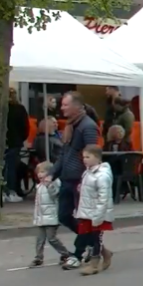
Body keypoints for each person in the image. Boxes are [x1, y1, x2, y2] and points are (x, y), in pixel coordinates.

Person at [50, 92, 99, 269]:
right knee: (64, 215)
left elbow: (93, 153)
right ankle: (94, 243)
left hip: (81, 179)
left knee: (83, 217)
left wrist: (89, 177)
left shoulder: (88, 127)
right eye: (62, 104)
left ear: (77, 106)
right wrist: (52, 173)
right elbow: (65, 154)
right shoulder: (70, 126)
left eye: (65, 105)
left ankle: (77, 254)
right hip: (67, 178)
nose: (61, 108)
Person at [72, 145, 113, 275]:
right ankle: (106, 254)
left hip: (97, 213)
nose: (84, 160)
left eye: (88, 157)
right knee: (88, 236)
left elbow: (103, 198)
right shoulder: (87, 172)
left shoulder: (102, 176)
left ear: (97, 158)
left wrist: (98, 217)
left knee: (96, 238)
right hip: (86, 211)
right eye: (83, 157)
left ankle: (94, 264)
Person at [30, 162, 71, 267]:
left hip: (52, 216)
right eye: (38, 172)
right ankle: (38, 257)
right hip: (41, 217)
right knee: (40, 239)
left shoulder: (54, 182)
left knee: (51, 238)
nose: (40, 174)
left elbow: (55, 196)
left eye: (42, 172)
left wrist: (49, 185)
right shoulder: (39, 186)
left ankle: (66, 254)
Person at [6, 87, 30, 202]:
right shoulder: (19, 109)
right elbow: (25, 127)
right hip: (14, 142)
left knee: (5, 167)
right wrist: (20, 139)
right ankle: (10, 190)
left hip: (5, 141)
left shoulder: (3, 108)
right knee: (11, 167)